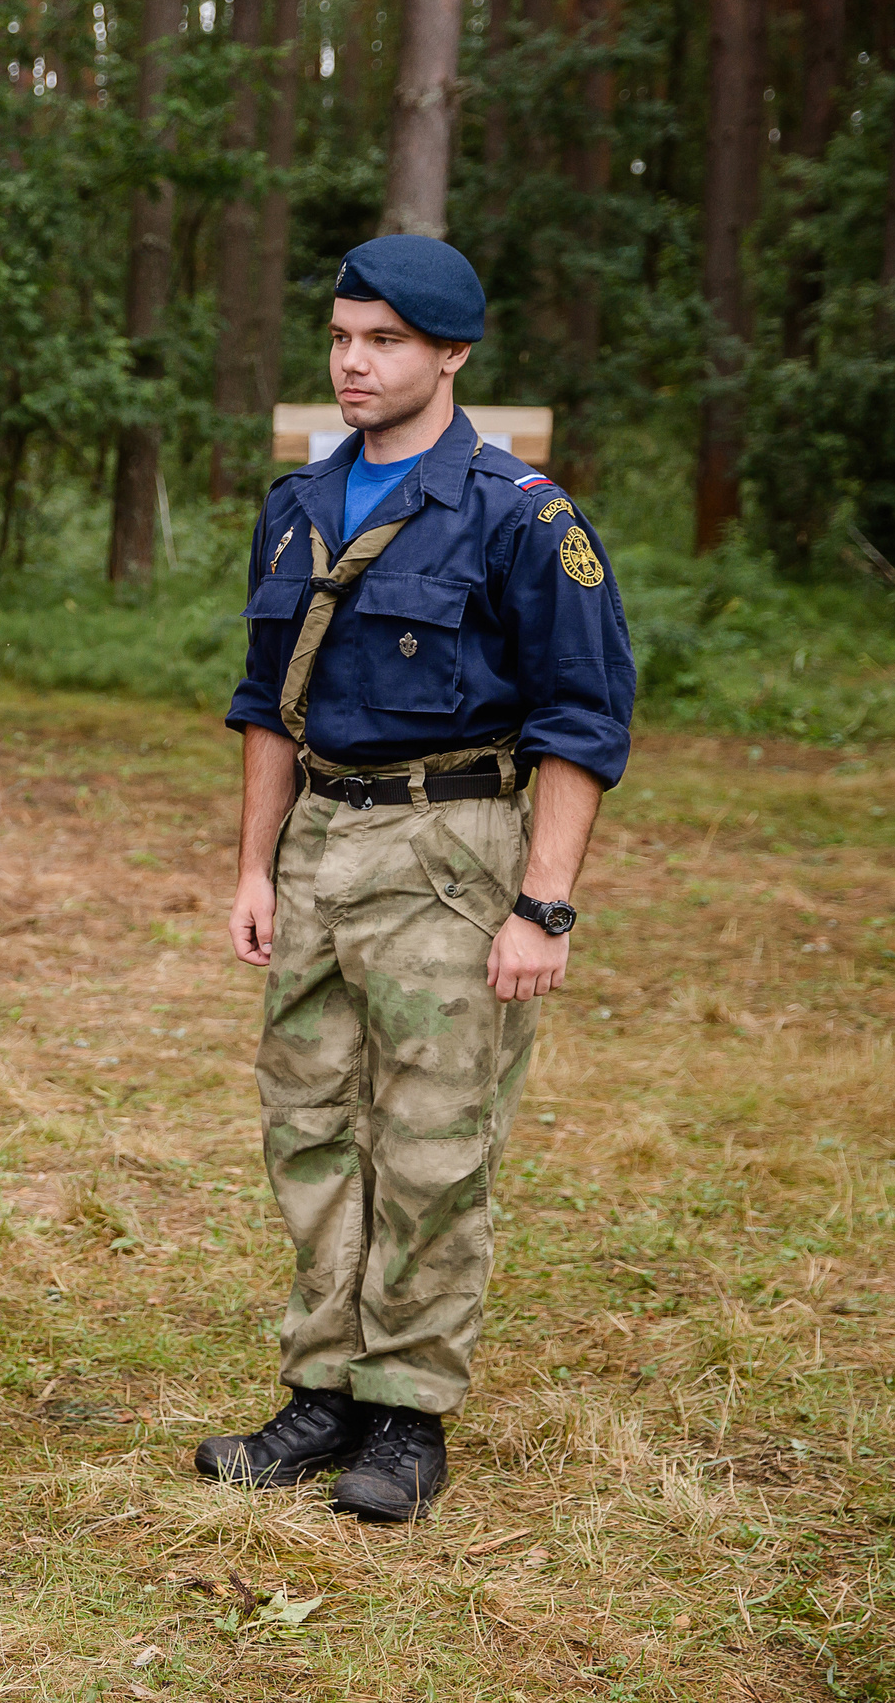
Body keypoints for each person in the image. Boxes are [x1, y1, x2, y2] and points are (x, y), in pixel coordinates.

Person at [209, 236, 636, 1522]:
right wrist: (252, 868)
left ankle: (405, 1414)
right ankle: (322, 1388)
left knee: (436, 1140)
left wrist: (541, 904)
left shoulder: (520, 515)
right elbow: (265, 705)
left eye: (384, 341)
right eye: (340, 337)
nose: (352, 362)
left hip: (453, 849)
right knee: (311, 1122)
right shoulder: (296, 505)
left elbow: (581, 718)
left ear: (450, 354)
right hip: (320, 846)